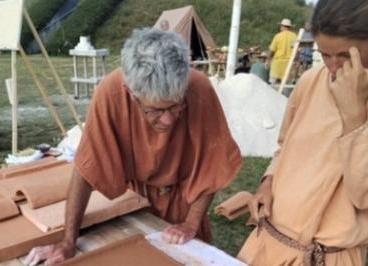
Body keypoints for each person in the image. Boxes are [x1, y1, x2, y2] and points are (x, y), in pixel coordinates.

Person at [24, 28, 242, 265]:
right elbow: (86, 167)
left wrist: (191, 223)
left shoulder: (199, 88)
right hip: (136, 202)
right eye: (155, 110)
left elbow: (213, 167)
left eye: (175, 107)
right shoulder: (110, 92)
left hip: (185, 202)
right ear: (131, 93)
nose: (168, 120)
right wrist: (68, 241)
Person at [238, 0, 368, 265]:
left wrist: (355, 120)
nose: (332, 66)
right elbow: (285, 146)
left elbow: (363, 196)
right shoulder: (310, 81)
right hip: (268, 242)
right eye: (325, 53)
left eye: (344, 55)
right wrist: (268, 182)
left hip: (329, 257)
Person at [268, 18, 297, 84]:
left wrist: (268, 59)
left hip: (277, 63)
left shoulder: (278, 36)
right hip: (289, 64)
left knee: (273, 86)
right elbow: (297, 50)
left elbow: (272, 50)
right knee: (285, 86)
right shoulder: (294, 36)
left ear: (282, 26)